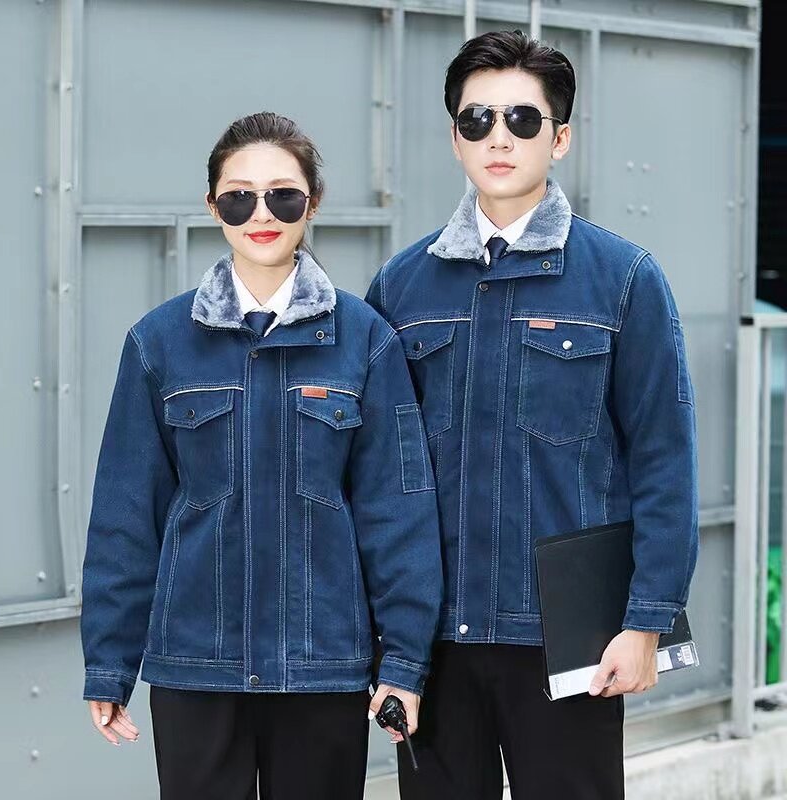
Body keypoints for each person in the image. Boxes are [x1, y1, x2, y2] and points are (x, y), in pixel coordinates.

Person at [366, 30, 699, 800]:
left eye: (522, 119)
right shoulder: (402, 288)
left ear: (561, 137)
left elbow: (664, 458)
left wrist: (646, 621)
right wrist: (383, 639)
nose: (499, 138)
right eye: (476, 119)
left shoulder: (623, 279)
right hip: (434, 640)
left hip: (572, 637)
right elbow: (378, 476)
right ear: (454, 137)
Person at [80, 111, 443, 800]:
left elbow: (397, 512)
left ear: (314, 201)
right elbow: (126, 515)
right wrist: (109, 661)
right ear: (212, 205)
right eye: (239, 197)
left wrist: (402, 660)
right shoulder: (158, 343)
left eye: (283, 195)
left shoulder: (366, 341)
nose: (262, 214)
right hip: (196, 666)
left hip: (321, 667)